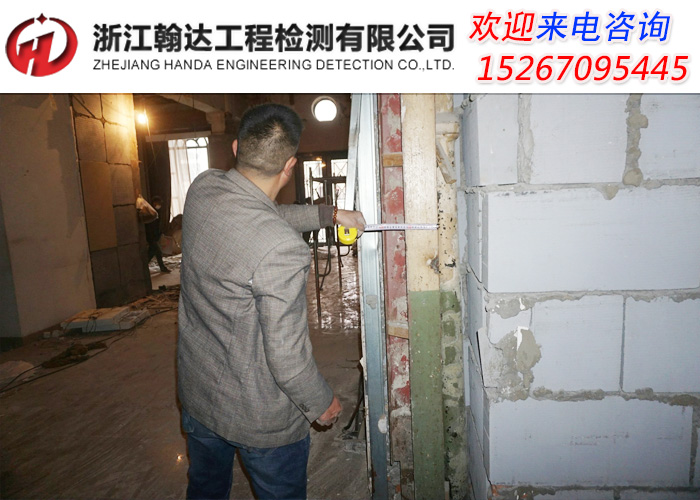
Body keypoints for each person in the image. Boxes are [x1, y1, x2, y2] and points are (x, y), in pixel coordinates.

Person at [177, 103, 365, 500]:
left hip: (199, 395)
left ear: (236, 147)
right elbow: (286, 356)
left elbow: (262, 214)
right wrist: (320, 401)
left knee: (205, 490)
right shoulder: (282, 250)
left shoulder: (203, 188)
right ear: (290, 166)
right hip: (259, 417)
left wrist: (330, 214)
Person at [144, 195, 170, 273]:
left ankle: (143, 267)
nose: (159, 205)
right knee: (158, 252)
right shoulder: (150, 212)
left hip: (155, 236)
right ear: (154, 203)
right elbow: (149, 226)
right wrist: (152, 237)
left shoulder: (157, 212)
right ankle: (162, 268)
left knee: (151, 252)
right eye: (158, 203)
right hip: (151, 236)